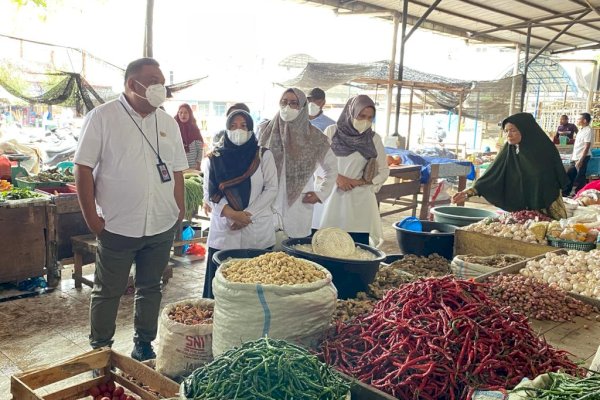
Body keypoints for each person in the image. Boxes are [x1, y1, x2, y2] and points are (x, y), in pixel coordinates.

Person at [74, 58, 188, 361]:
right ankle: (101, 347)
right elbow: (82, 168)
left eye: (161, 82)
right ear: (131, 84)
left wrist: (179, 210)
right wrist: (93, 219)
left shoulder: (167, 122)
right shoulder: (102, 117)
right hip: (117, 225)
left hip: (161, 225)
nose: (159, 87)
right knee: (108, 291)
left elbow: (177, 170)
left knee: (151, 287)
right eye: (152, 80)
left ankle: (143, 343)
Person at [202, 110, 278, 298]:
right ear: (226, 129)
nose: (238, 130)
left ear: (251, 129)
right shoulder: (215, 158)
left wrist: (247, 215)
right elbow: (210, 193)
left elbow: (271, 188)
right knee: (221, 290)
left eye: (244, 126)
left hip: (256, 228)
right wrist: (233, 214)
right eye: (233, 126)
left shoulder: (263, 155)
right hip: (226, 230)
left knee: (255, 290)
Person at [452, 112, 568, 220]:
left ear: (525, 130)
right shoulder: (509, 150)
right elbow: (492, 174)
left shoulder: (544, 150)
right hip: (523, 213)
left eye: (513, 130)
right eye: (506, 131)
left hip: (548, 206)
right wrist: (468, 192)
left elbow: (548, 180)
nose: (509, 135)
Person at [257, 88, 337, 239]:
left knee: (294, 254)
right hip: (266, 201)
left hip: (298, 203)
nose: (287, 107)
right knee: (266, 255)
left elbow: (331, 169)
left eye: (294, 103)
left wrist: (320, 193)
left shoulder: (315, 137)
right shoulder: (264, 130)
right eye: (284, 102)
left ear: (302, 107)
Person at [319, 95, 390, 245]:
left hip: (360, 202)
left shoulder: (374, 139)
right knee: (328, 243)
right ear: (351, 112)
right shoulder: (332, 132)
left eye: (370, 118)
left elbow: (384, 171)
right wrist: (338, 178)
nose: (365, 121)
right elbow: (318, 162)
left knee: (357, 246)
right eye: (361, 115)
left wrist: (359, 182)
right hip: (332, 198)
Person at [564, 112, 593, 196]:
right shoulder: (581, 129)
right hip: (576, 156)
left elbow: (586, 146)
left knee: (580, 176)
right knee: (571, 174)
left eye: (579, 119)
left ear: (584, 120)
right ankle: (566, 192)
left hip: (583, 157)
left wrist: (581, 159)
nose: (577, 120)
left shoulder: (588, 130)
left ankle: (578, 193)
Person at [175, 103, 203, 170]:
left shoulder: (194, 129)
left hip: (193, 167)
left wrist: (198, 164)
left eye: (186, 112)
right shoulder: (174, 129)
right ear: (178, 114)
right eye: (180, 112)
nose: (183, 115)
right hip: (178, 167)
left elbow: (200, 149)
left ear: (190, 114)